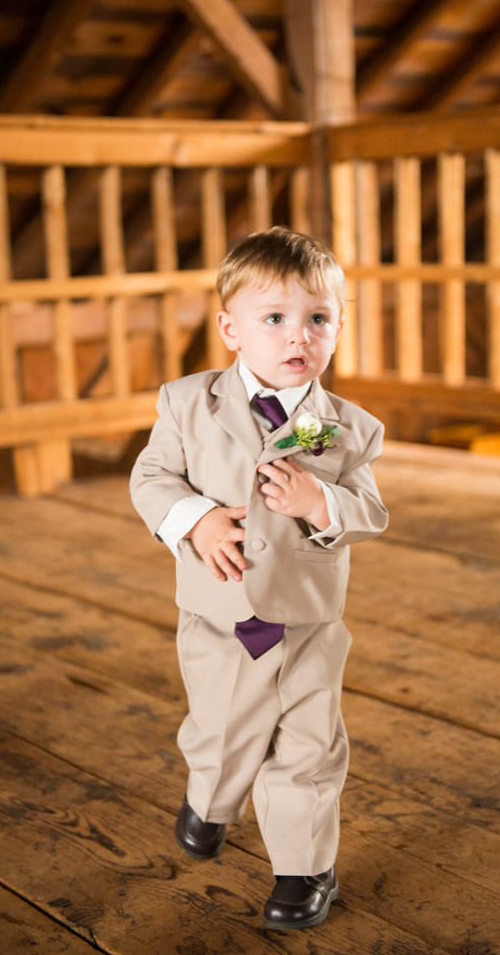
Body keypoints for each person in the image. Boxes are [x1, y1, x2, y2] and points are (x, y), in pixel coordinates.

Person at [130, 226, 388, 930]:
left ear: (337, 326)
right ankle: (210, 798)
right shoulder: (189, 403)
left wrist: (320, 503)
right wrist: (196, 520)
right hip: (220, 617)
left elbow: (368, 507)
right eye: (273, 318)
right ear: (231, 329)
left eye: (317, 318)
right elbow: (151, 477)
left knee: (308, 744)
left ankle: (304, 868)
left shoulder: (340, 428)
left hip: (306, 618)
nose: (296, 335)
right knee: (222, 730)